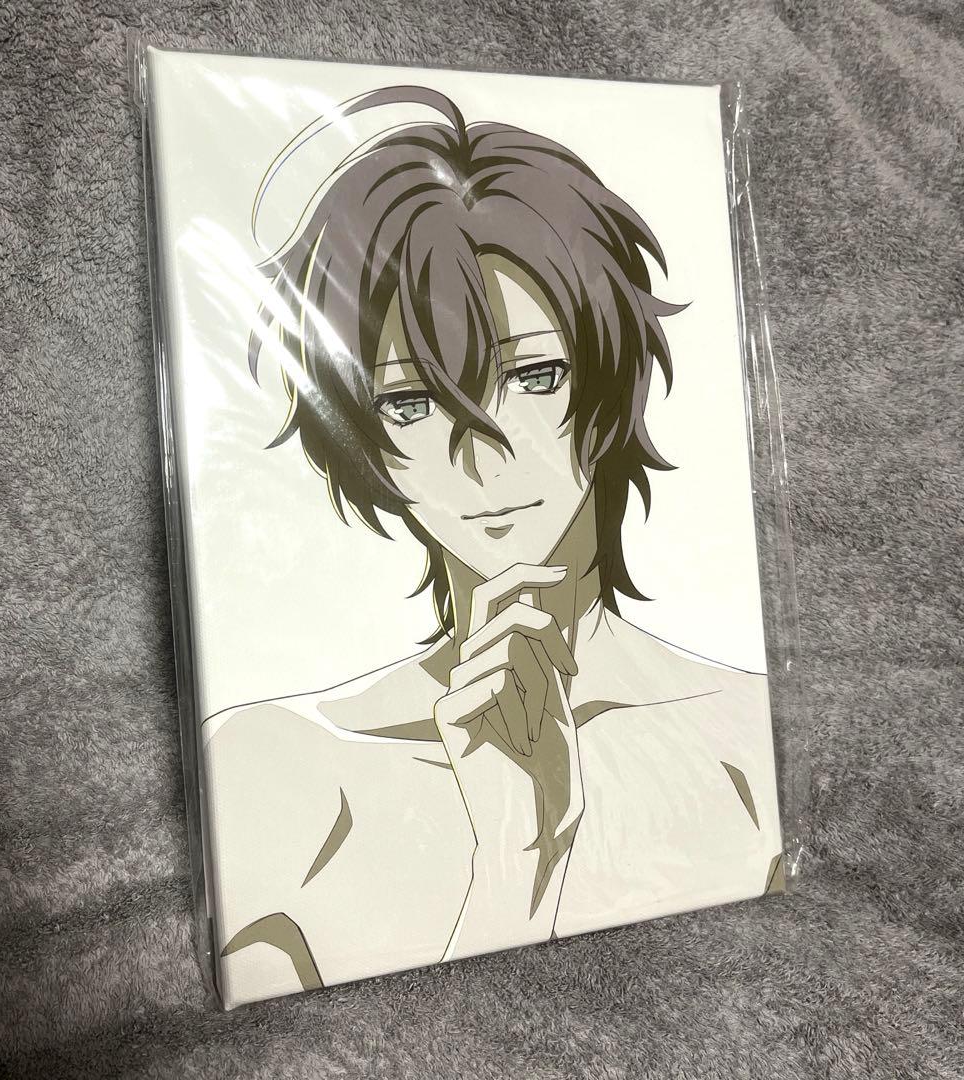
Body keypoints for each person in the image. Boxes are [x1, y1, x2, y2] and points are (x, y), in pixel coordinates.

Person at [203, 86, 782, 1005]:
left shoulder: (749, 741)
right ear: (360, 434)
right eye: (410, 402)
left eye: (536, 375)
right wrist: (517, 862)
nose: (485, 454)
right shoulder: (277, 767)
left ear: (608, 375)